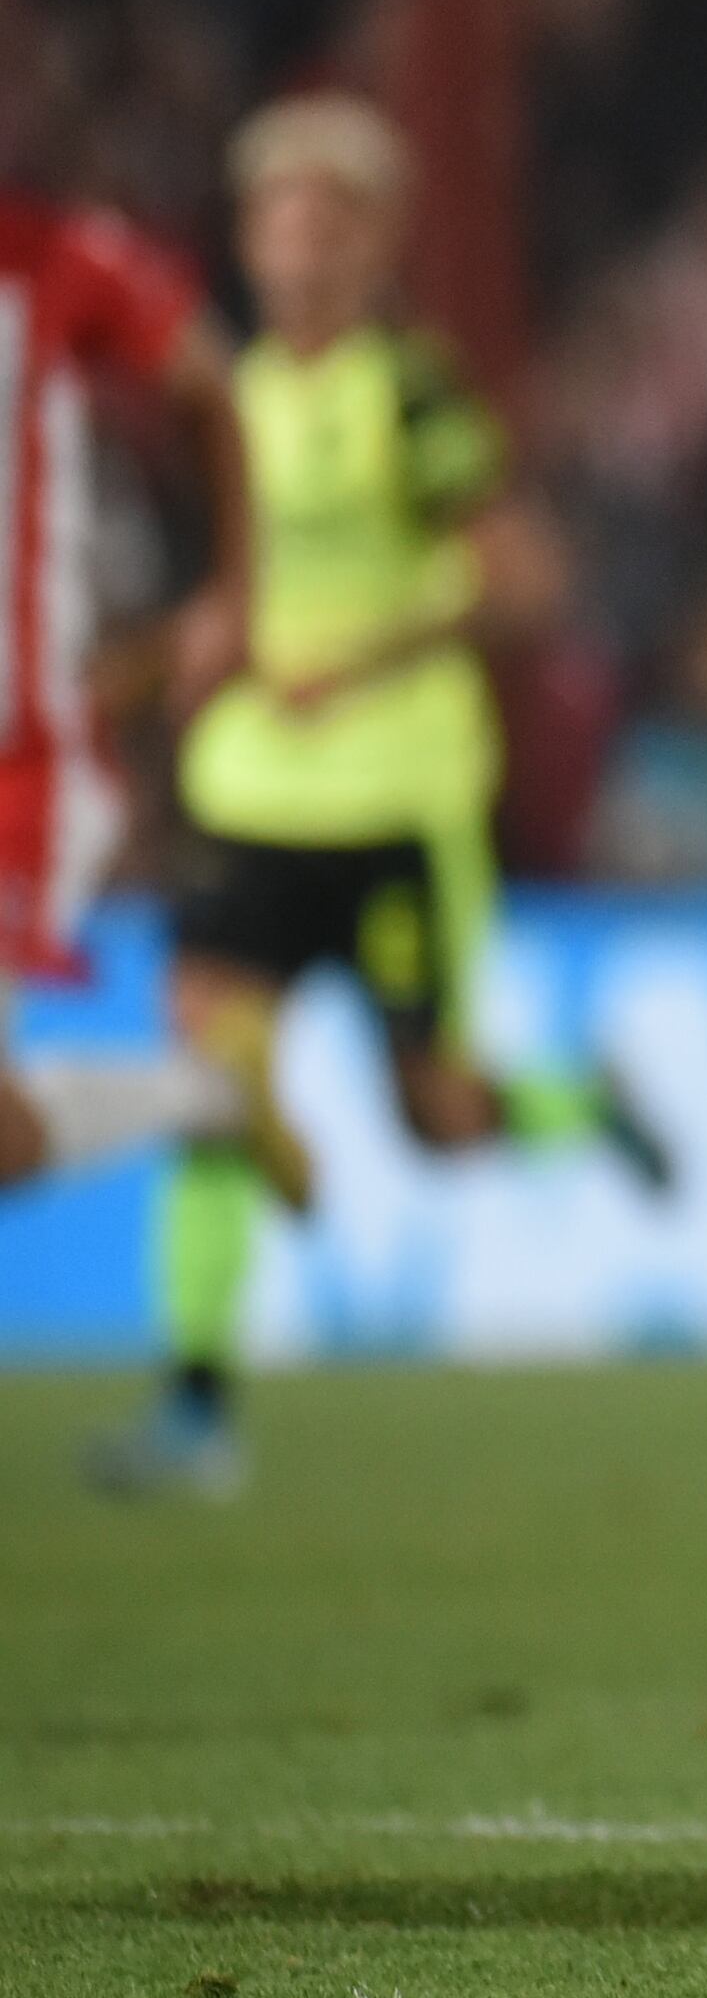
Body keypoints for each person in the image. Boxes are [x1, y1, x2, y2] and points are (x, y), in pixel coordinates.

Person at [98, 95, 669, 1498]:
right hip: (247, 794)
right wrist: (134, 677)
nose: (294, 245)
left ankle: (580, 1106)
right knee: (203, 1077)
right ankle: (196, 1410)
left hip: (398, 803)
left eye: (325, 219)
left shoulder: (409, 393)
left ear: (373, 244)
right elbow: (241, 597)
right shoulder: (226, 396)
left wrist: (352, 661)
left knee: (436, 1116)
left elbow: (524, 576)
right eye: (273, 217)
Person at [0, 175, 306, 1217]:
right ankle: (210, 1091)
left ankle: (207, 1090)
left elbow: (206, 378)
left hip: (18, 767)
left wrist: (234, 591)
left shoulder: (49, 253)